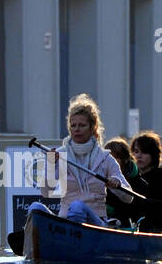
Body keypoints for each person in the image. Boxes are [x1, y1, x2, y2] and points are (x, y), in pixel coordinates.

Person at [28, 94, 134, 228]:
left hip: (96, 222)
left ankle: (74, 239)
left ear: (92, 128)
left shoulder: (105, 158)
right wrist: (50, 165)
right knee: (35, 207)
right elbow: (46, 193)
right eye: (73, 125)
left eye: (82, 125)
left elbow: (129, 198)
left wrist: (117, 184)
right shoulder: (60, 155)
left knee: (78, 206)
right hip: (65, 220)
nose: (77, 129)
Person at [130, 130, 162, 233]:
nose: (139, 156)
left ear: (153, 155)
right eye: (136, 152)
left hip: (158, 227)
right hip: (136, 226)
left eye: (144, 152)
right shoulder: (131, 177)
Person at [104, 138, 143, 227]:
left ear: (124, 159)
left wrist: (111, 210)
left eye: (114, 158)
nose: (109, 162)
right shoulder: (103, 177)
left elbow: (135, 208)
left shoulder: (138, 183)